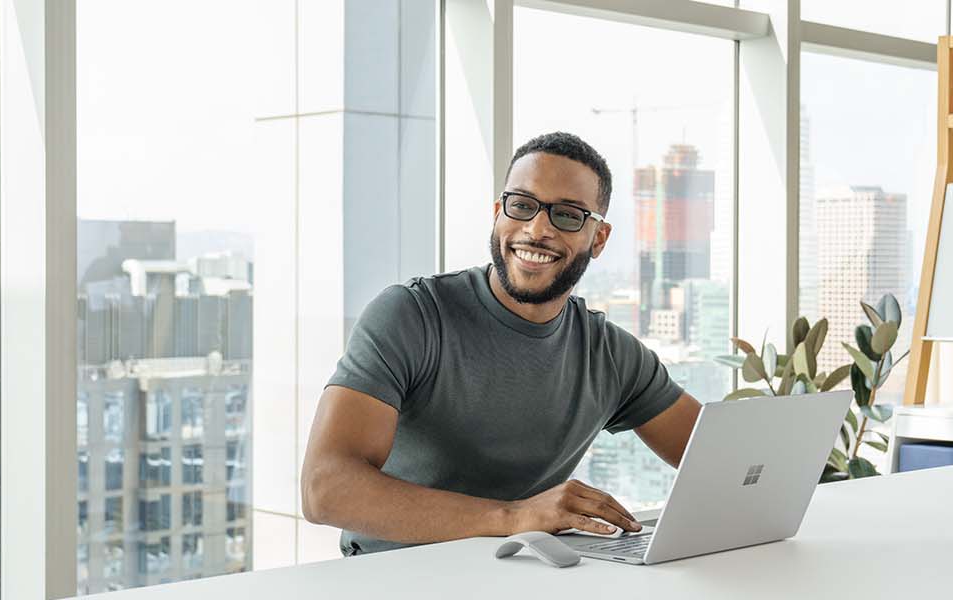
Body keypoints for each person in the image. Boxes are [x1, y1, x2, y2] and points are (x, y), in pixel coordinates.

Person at [301, 131, 702, 556]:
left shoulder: (610, 355)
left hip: (524, 577)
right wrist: (513, 518)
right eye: (522, 206)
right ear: (498, 213)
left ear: (598, 239)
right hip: (393, 579)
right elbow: (324, 488)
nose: (537, 229)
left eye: (566, 215)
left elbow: (720, 462)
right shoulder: (412, 316)